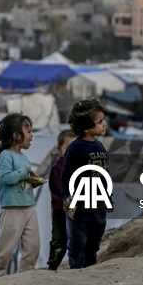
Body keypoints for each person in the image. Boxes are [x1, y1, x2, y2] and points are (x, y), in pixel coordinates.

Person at [0, 113, 43, 278]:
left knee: (32, 247)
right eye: (28, 131)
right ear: (16, 136)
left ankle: (24, 277)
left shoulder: (24, 157)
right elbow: (6, 178)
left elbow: (23, 179)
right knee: (5, 249)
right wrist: (23, 172)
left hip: (29, 206)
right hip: (12, 208)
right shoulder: (5, 156)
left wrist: (34, 181)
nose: (32, 136)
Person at [60, 99, 110, 269]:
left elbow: (104, 176)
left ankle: (90, 270)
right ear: (86, 127)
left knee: (94, 241)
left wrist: (108, 198)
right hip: (80, 205)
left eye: (103, 120)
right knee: (78, 241)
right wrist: (66, 197)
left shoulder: (100, 147)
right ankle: (76, 272)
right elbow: (66, 176)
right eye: (100, 122)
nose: (104, 124)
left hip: (98, 204)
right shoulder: (76, 149)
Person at [47, 129, 77, 271]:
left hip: (79, 209)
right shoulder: (58, 168)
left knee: (78, 238)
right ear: (60, 149)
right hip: (61, 210)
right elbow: (59, 188)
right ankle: (53, 265)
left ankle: (77, 265)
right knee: (59, 240)